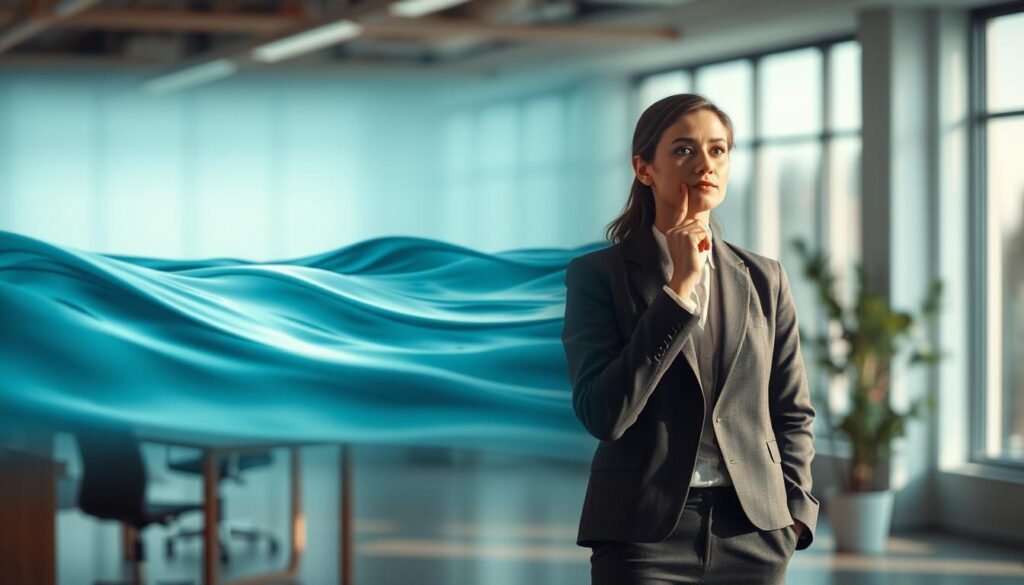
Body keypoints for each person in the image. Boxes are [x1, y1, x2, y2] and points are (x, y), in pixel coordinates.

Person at [560, 93, 818, 584]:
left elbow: (791, 409)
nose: (705, 163)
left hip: (755, 533)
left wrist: (794, 514)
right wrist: (678, 290)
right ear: (644, 168)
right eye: (683, 150)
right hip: (643, 535)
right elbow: (604, 413)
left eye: (718, 150)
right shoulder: (596, 276)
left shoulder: (764, 278)